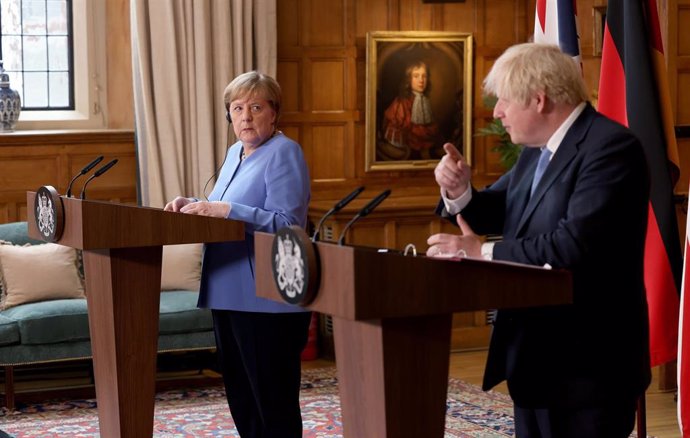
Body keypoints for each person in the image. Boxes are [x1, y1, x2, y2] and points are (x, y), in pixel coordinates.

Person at [427, 43, 651, 438]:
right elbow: (502, 209)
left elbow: (573, 244)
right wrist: (460, 191)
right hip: (535, 360)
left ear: (539, 99)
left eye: (504, 101)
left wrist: (482, 251)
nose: (497, 113)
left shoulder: (612, 148)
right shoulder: (536, 152)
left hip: (589, 366)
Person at [165, 71, 311, 438]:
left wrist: (227, 210)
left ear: (274, 113)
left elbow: (287, 223)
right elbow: (224, 206)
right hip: (226, 288)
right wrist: (195, 205)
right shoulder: (235, 153)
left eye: (256, 107)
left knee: (272, 403)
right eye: (237, 108)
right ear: (228, 115)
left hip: (266, 297)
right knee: (242, 399)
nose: (246, 116)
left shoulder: (285, 152)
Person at [380, 60, 440, 160]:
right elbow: (405, 129)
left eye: (424, 76)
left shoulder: (424, 100)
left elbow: (430, 125)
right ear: (409, 79)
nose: (421, 80)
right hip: (407, 146)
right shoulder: (401, 102)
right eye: (416, 76)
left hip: (422, 143)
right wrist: (427, 133)